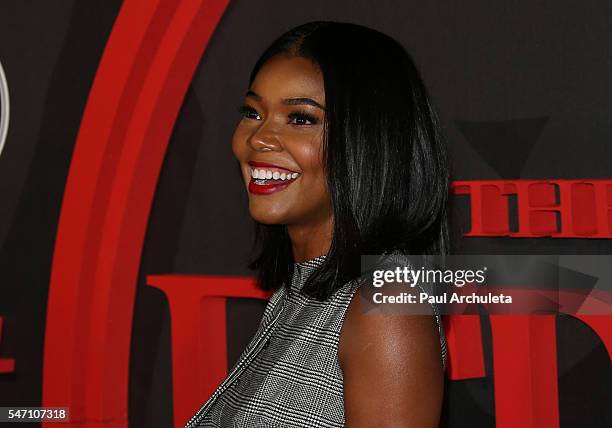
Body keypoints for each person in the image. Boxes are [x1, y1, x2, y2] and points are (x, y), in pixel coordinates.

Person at [185, 21, 449, 427]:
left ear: (369, 140)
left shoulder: (388, 309)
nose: (259, 138)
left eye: (301, 119)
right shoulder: (301, 293)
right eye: (252, 111)